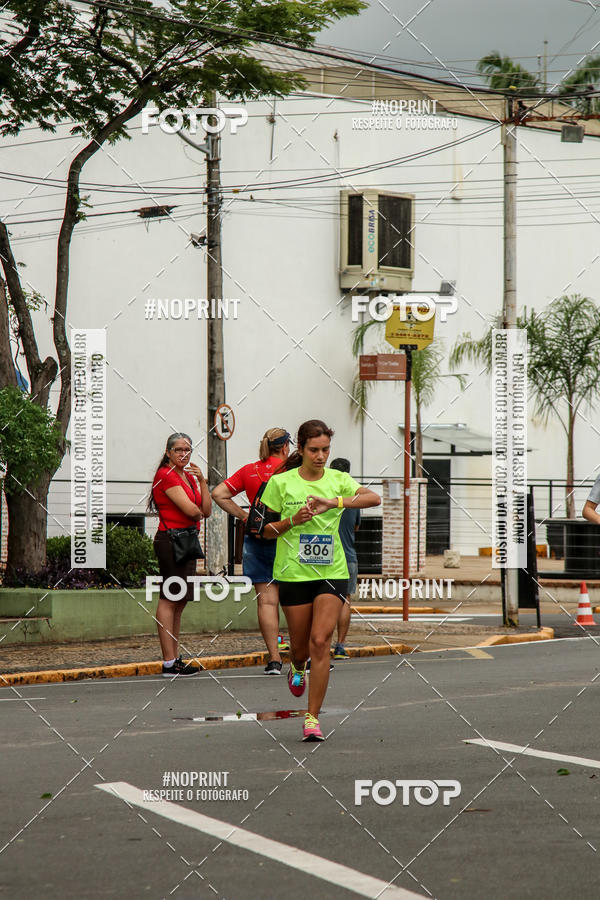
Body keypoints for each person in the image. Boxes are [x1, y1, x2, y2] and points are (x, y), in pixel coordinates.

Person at [261, 419, 381, 741]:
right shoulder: (281, 483)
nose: (320, 455)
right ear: (300, 449)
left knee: (319, 642)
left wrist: (335, 502)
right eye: (313, 450)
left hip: (332, 572)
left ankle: (312, 718)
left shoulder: (338, 479)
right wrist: (291, 521)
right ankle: (297, 667)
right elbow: (263, 530)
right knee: (300, 648)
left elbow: (373, 499)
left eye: (325, 449)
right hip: (294, 574)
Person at [212, 427, 292, 674]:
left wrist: (245, 516)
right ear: (285, 446)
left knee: (266, 602)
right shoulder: (293, 471)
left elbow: (218, 493)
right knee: (294, 601)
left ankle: (274, 660)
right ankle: (303, 658)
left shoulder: (250, 470)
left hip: (257, 538)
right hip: (287, 537)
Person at [149, 432, 212, 676]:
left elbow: (204, 510)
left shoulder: (187, 476)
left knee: (180, 600)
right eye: (178, 450)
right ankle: (168, 661)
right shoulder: (165, 475)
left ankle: (174, 658)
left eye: (187, 450)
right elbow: (191, 510)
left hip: (187, 540)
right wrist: (196, 510)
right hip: (172, 540)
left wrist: (203, 482)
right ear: (168, 452)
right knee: (170, 597)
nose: (183, 454)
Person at [329, 458, 360, 659]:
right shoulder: (355, 498)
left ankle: (319, 644)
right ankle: (340, 646)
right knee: (345, 600)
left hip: (324, 555)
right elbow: (356, 526)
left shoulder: (324, 493)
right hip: (348, 556)